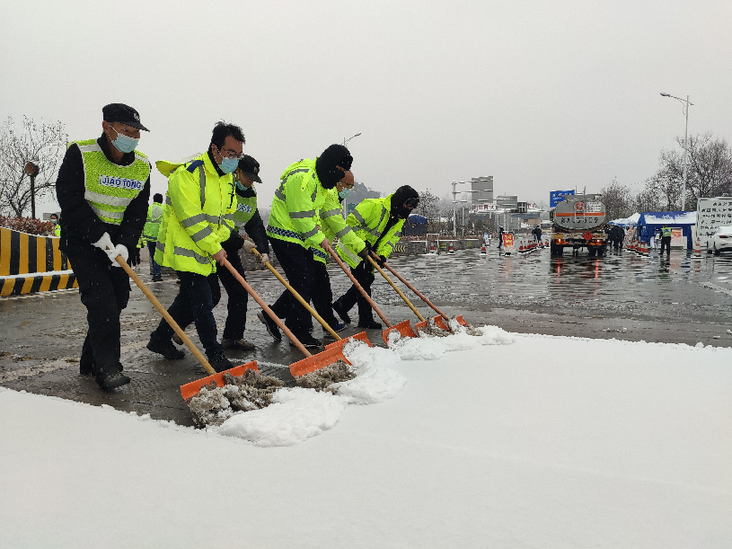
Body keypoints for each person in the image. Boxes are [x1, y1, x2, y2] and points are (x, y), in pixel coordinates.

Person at [55, 103, 152, 390]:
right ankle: (107, 368)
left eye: (136, 132)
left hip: (118, 243)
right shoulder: (81, 154)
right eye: (125, 130)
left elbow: (138, 211)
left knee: (118, 299)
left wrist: (125, 244)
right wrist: (97, 234)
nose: (131, 137)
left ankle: (91, 359)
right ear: (105, 127)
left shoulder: (142, 166)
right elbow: (69, 198)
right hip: (83, 239)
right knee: (102, 302)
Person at [146, 122, 244, 373]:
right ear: (215, 148)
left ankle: (160, 337)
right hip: (184, 250)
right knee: (202, 300)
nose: (234, 160)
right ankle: (214, 353)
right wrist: (213, 245)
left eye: (238, 155)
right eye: (230, 153)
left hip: (206, 250)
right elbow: (191, 219)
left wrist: (218, 241)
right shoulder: (188, 174)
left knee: (203, 297)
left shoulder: (227, 179)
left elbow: (228, 218)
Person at [259, 144, 364, 348]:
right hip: (284, 233)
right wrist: (320, 238)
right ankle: (298, 332)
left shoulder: (321, 182)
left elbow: (318, 215)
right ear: (331, 167)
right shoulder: (303, 178)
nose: (338, 183)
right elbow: (301, 218)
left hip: (301, 237)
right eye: (339, 176)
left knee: (306, 281)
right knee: (303, 281)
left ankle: (275, 318)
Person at [332, 185, 419, 329]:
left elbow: (391, 240)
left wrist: (383, 255)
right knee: (364, 281)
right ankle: (365, 319)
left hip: (370, 252)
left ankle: (342, 305)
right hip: (352, 247)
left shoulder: (400, 218)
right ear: (399, 201)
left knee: (366, 279)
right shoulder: (373, 206)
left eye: (412, 206)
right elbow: (350, 223)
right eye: (407, 205)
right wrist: (362, 241)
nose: (409, 209)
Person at [216, 154, 269, 351]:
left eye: (253, 179)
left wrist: (263, 250)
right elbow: (217, 221)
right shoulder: (224, 186)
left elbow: (254, 223)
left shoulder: (250, 194)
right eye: (247, 177)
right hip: (210, 243)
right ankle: (170, 330)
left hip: (230, 245)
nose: (250, 182)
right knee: (208, 294)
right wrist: (241, 242)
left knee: (239, 291)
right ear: (237, 171)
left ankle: (233, 337)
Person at [309, 170, 365, 335]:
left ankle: (275, 316)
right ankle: (328, 323)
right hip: (313, 245)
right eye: (347, 184)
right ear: (338, 181)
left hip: (320, 248)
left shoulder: (336, 198)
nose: (349, 189)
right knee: (320, 288)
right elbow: (339, 226)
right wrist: (359, 246)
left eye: (351, 186)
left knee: (306, 286)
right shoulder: (330, 196)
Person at [143, 193, 164, 281]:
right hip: (159, 237)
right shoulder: (164, 209)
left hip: (149, 236)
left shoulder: (149, 209)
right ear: (161, 200)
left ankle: (155, 272)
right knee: (159, 256)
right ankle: (157, 274)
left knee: (152, 255)